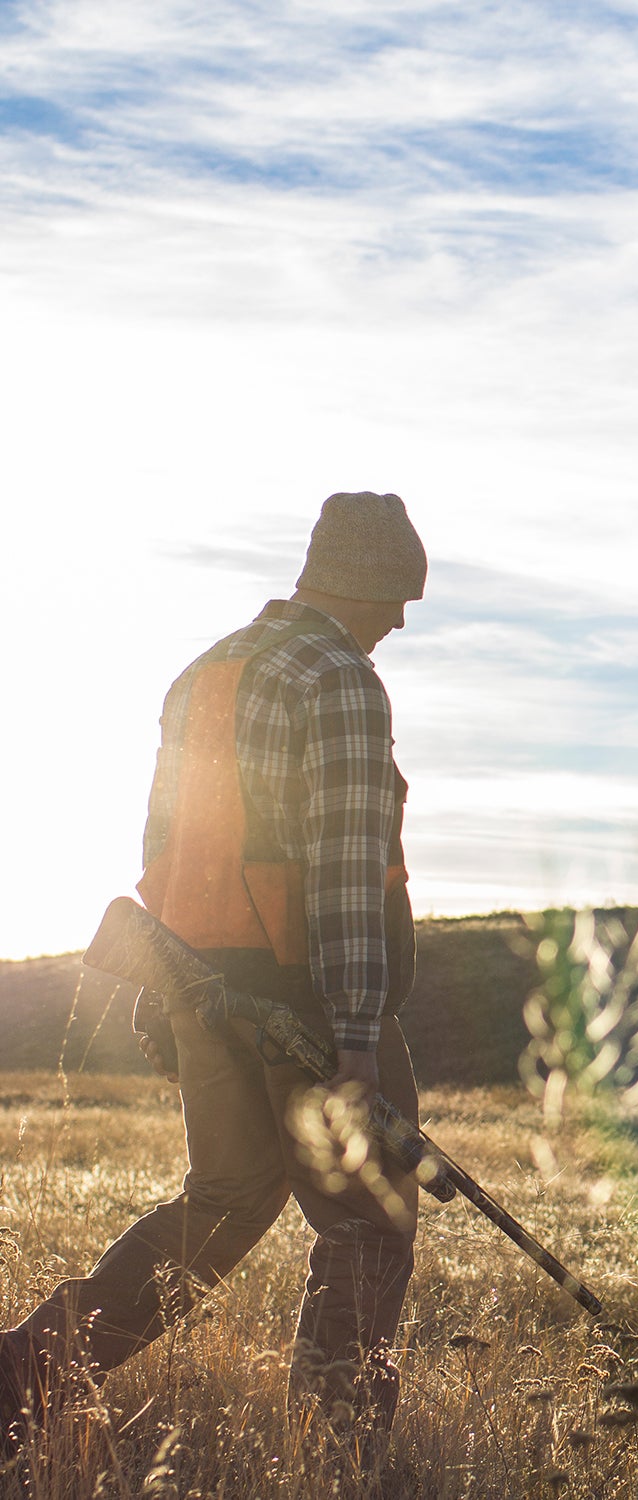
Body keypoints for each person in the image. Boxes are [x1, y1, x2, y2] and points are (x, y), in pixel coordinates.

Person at [0, 491, 428, 1452]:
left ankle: (16, 1380)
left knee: (225, 1203)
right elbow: (348, 864)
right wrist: (355, 1031)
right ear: (366, 582)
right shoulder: (339, 678)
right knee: (371, 1216)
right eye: (400, 595)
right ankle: (339, 1446)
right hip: (304, 999)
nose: (400, 621)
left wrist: (169, 989)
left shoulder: (203, 673)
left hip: (202, 984)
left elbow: (165, 841)